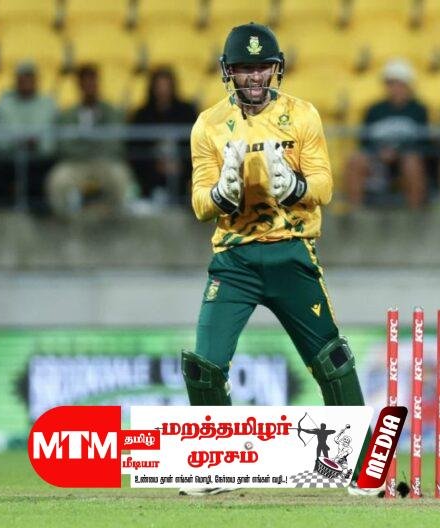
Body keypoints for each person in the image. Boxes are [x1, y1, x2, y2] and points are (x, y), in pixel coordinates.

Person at [182, 23, 373, 496]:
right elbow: (200, 204)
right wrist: (222, 194)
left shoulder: (302, 115)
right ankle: (215, 468)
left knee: (331, 359)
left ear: (276, 69)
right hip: (235, 261)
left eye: (262, 67)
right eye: (244, 68)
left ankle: (365, 468)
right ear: (228, 72)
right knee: (204, 366)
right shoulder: (208, 124)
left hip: (291, 252)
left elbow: (325, 186)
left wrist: (295, 186)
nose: (254, 77)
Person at [47, 64, 135, 220]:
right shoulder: (68, 115)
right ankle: (66, 223)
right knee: (58, 180)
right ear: (79, 85)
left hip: (104, 162)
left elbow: (115, 144)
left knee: (120, 177)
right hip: (76, 163)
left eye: (93, 82)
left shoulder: (112, 112)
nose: (90, 86)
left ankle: (115, 221)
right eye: (85, 82)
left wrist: (85, 144)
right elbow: (65, 146)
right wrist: (91, 146)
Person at [343, 59, 429, 209]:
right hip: (377, 157)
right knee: (355, 161)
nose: (395, 88)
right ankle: (355, 212)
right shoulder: (374, 110)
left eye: (399, 83)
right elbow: (364, 140)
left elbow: (423, 141)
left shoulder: (419, 110)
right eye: (391, 83)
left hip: (406, 157)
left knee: (412, 162)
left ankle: (415, 213)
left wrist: (398, 151)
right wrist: (379, 152)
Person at [0, 61, 58, 209]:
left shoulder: (48, 104)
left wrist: (36, 143)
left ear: (36, 80)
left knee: (43, 176)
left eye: (29, 77)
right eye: (22, 77)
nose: (26, 81)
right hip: (9, 157)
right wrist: (16, 142)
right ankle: (0, 213)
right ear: (16, 80)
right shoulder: (4, 104)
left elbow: (51, 139)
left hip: (38, 158)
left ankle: (38, 213)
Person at [129, 67, 199, 205]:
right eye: (159, 86)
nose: (163, 91)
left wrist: (181, 164)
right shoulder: (141, 115)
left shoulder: (187, 112)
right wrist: (156, 164)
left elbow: (197, 144)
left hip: (184, 169)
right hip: (150, 172)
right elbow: (135, 149)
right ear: (152, 88)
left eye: (166, 86)